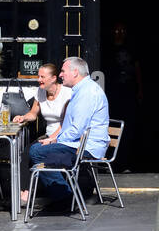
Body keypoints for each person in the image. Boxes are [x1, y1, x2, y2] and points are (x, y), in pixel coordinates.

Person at [21, 57, 109, 212]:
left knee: (36, 152)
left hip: (85, 146)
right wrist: (54, 139)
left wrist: (55, 140)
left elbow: (77, 129)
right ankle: (64, 196)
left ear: (75, 72)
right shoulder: (81, 90)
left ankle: (65, 198)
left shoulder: (87, 92)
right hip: (77, 143)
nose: (61, 75)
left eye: (63, 71)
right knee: (36, 152)